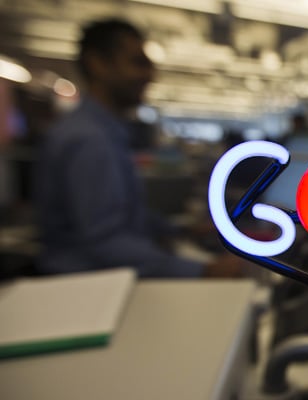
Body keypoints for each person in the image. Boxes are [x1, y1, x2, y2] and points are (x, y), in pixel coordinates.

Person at [34, 18, 242, 278]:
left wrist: (180, 229)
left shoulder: (104, 132)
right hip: (84, 291)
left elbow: (123, 216)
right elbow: (106, 243)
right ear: (98, 64)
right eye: (138, 63)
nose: (150, 75)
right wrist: (205, 270)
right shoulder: (88, 139)